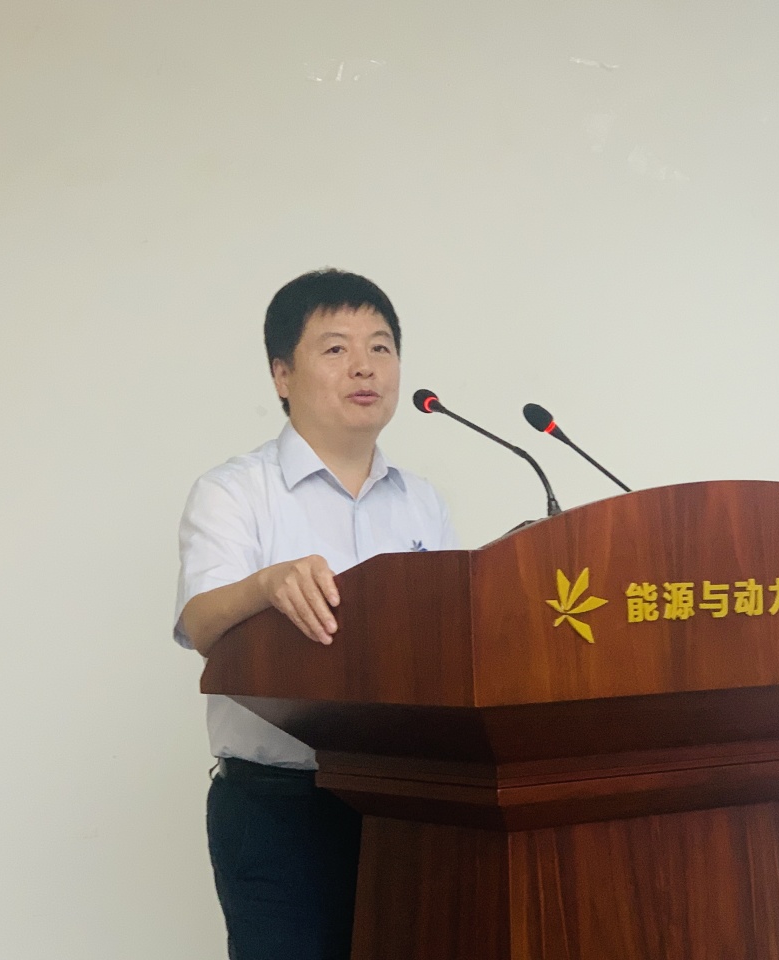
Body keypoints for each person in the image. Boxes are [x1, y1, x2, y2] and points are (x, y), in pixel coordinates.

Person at [172, 269, 458, 960]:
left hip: (407, 803)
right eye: (335, 348)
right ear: (281, 374)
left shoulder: (421, 502)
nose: (364, 366)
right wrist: (266, 586)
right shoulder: (235, 492)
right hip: (278, 808)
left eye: (381, 347)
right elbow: (202, 623)